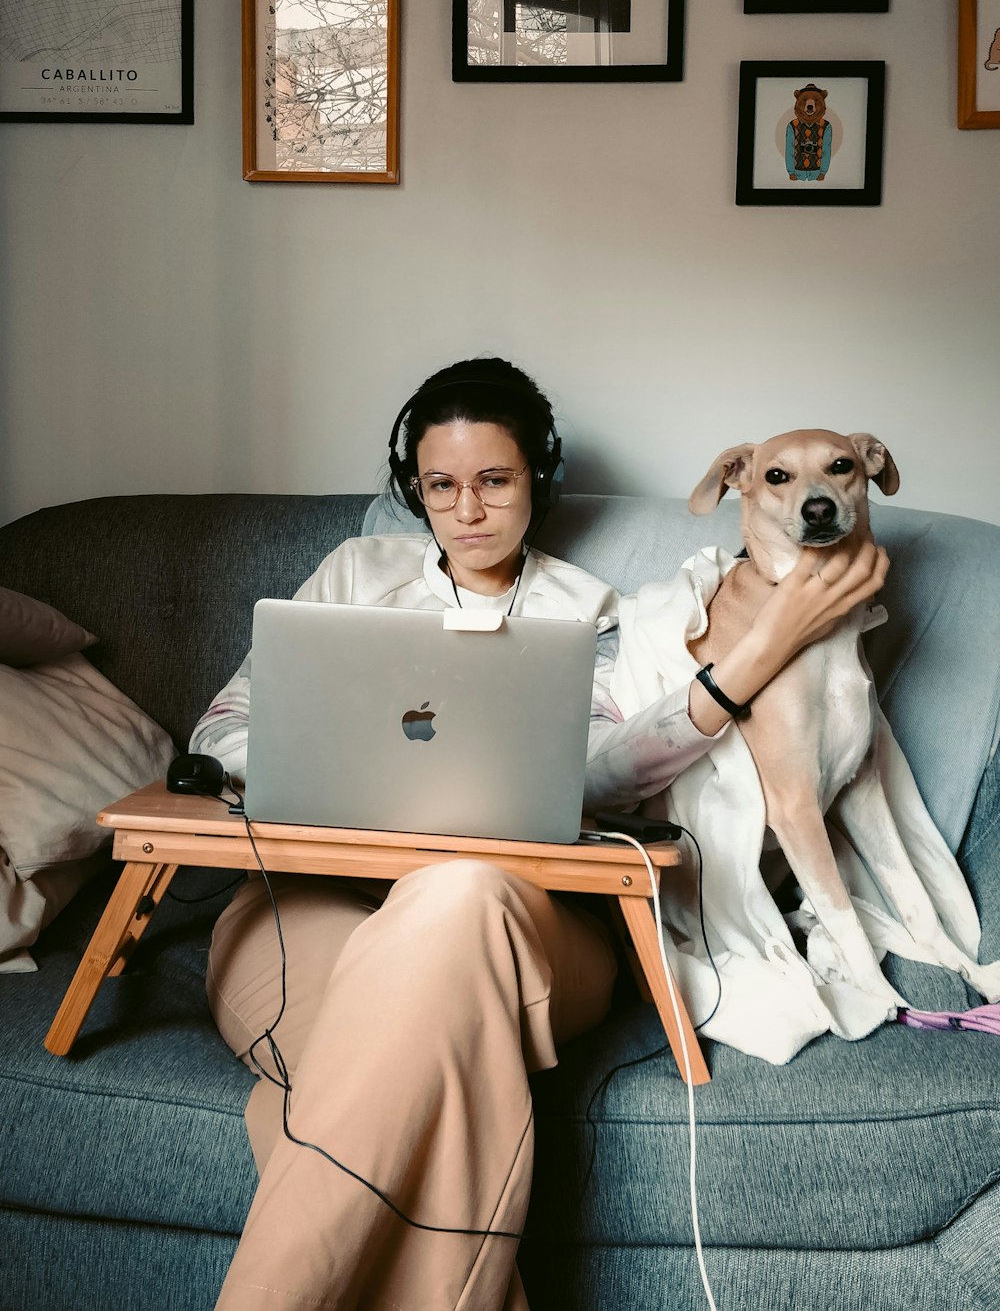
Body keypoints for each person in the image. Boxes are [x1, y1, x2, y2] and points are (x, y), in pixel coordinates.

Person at [191, 357, 887, 1311]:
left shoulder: (590, 614)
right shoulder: (354, 574)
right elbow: (221, 726)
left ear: (539, 483)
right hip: (310, 911)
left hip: (518, 925)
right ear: (414, 493)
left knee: (456, 892)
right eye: (440, 486)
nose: (467, 510)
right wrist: (304, 769)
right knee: (382, 1095)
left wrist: (736, 671)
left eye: (495, 481)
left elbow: (609, 777)